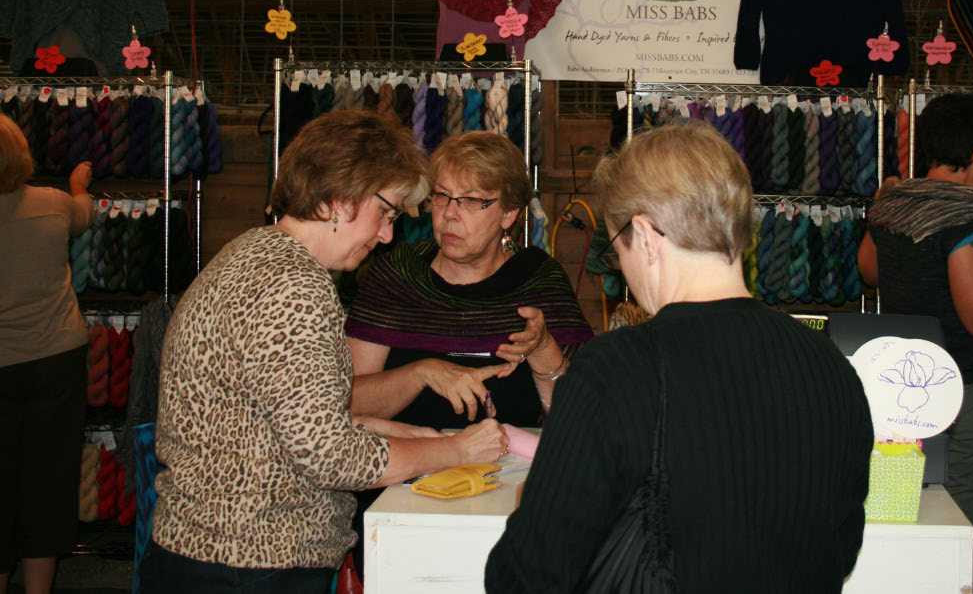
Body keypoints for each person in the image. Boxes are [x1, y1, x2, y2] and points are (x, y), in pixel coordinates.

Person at [487, 123, 873, 592]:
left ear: (646, 237)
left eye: (616, 248)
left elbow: (526, 576)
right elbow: (841, 546)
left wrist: (537, 499)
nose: (623, 269)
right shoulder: (832, 367)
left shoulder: (617, 368)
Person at [138, 111, 508, 593]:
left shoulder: (254, 252)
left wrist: (398, 434)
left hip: (211, 552)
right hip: (249, 562)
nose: (387, 235)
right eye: (387, 212)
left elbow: (280, 420)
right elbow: (329, 456)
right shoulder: (293, 288)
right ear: (340, 198)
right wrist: (451, 450)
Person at [857, 92, 973, 529]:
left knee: (896, 521)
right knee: (950, 535)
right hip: (960, 397)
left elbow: (868, 272)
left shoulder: (893, 204)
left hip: (896, 396)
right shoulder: (967, 217)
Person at [347, 131, 592, 428]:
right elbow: (344, 403)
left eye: (472, 200)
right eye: (442, 196)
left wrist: (542, 350)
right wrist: (421, 373)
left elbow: (582, 419)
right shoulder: (397, 275)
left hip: (514, 469)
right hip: (407, 467)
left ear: (509, 214)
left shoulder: (539, 282)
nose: (450, 214)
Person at [0, 116, 93, 594]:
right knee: (48, 480)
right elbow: (86, 212)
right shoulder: (53, 205)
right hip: (55, 359)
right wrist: (79, 184)